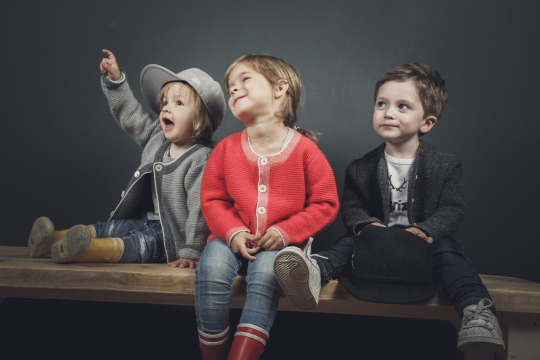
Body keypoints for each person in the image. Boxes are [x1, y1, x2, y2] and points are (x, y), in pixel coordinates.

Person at [273, 62, 505, 351]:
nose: (388, 112)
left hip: (424, 243)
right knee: (346, 244)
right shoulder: (361, 167)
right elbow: (352, 207)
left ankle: (476, 311)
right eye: (382, 103)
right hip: (377, 244)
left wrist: (428, 229)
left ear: (427, 122)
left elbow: (452, 208)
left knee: (450, 255)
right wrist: (366, 225)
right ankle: (314, 271)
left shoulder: (445, 164)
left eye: (403, 106)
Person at [195, 54, 339, 360]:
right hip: (229, 237)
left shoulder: (305, 151)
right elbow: (212, 199)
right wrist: (233, 232)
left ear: (279, 88)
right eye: (230, 86)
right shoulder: (226, 149)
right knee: (211, 271)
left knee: (265, 280)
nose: (234, 89)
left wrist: (286, 231)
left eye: (244, 79)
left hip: (279, 243)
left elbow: (325, 202)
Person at [27, 49, 225, 268]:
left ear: (200, 120)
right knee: (110, 227)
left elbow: (200, 211)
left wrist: (192, 251)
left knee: (139, 245)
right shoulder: (158, 137)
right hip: (146, 219)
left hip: (170, 237)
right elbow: (131, 116)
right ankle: (52, 240)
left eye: (179, 103)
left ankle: (89, 251)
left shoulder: (201, 159)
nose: (167, 107)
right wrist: (116, 82)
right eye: (165, 102)